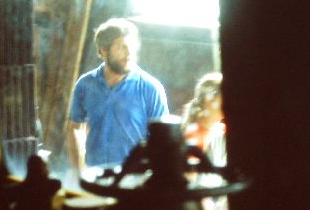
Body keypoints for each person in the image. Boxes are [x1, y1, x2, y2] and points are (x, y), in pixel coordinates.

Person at [69, 18, 169, 173]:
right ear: (103, 51)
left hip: (134, 178)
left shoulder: (151, 88)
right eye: (121, 47)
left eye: (131, 46)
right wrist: (79, 171)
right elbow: (76, 129)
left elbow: (162, 139)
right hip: (95, 176)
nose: (129, 53)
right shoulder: (85, 85)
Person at [182, 71, 226, 167]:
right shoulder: (193, 139)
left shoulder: (221, 129)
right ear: (209, 100)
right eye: (225, 96)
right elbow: (192, 174)